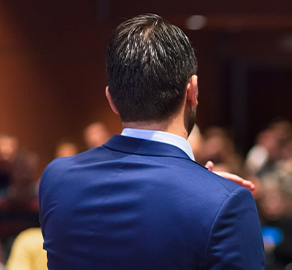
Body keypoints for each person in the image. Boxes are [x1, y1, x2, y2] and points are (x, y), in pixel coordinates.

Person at [39, 14, 264, 270]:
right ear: (193, 90)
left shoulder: (57, 178)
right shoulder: (228, 203)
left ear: (111, 99)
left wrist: (205, 189)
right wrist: (212, 195)